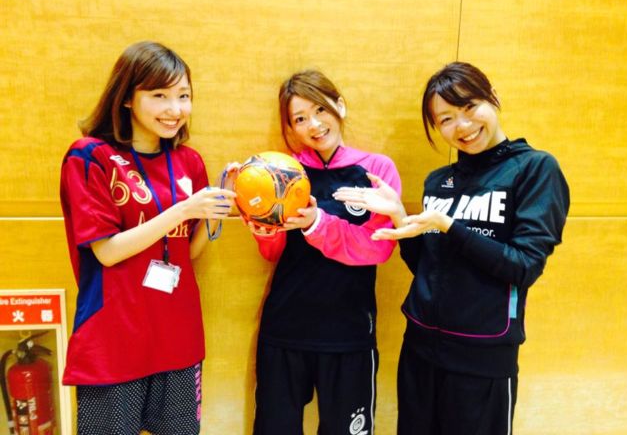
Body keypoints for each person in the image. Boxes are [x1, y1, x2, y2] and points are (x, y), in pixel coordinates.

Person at [334, 62, 570, 435]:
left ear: (494, 98)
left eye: (470, 107)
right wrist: (399, 217)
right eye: (445, 119)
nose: (462, 125)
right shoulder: (439, 181)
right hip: (419, 350)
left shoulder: (535, 169)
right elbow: (428, 266)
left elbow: (524, 266)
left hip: (483, 356)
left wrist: (449, 226)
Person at [59, 41, 236, 435]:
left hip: (178, 338)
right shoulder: (89, 156)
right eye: (159, 95)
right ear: (126, 97)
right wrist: (184, 210)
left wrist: (212, 212)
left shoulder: (189, 161)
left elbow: (188, 252)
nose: (175, 109)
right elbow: (107, 252)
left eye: (183, 96)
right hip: (113, 340)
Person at [244, 69, 401, 434]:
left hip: (349, 335)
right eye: (300, 119)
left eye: (320, 109)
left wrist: (317, 223)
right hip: (285, 329)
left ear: (339, 106)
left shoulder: (376, 169)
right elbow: (273, 252)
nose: (313, 125)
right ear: (291, 128)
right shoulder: (284, 170)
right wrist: (261, 222)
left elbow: (378, 248)